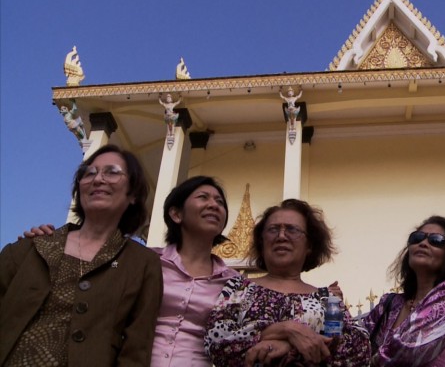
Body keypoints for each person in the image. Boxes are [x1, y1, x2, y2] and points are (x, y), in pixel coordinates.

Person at [21, 175, 240, 367]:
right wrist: (49, 247)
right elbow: (86, 276)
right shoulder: (139, 260)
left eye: (220, 202)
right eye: (203, 197)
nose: (214, 205)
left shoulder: (234, 283)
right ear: (176, 214)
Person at [0, 144, 163, 366]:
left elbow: (136, 348)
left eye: (112, 172)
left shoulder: (143, 264)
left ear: (133, 194)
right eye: (89, 173)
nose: (98, 179)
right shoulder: (30, 248)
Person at [204, 199, 371, 367]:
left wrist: (287, 346)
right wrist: (287, 329)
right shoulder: (238, 288)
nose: (281, 236)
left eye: (292, 229)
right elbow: (217, 343)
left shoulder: (327, 299)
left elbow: (359, 351)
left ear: (309, 246)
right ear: (262, 242)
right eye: (273, 229)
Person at [362, 216, 445, 366]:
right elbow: (356, 345)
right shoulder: (390, 304)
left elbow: (407, 349)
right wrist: (336, 309)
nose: (423, 243)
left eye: (436, 240)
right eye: (417, 238)